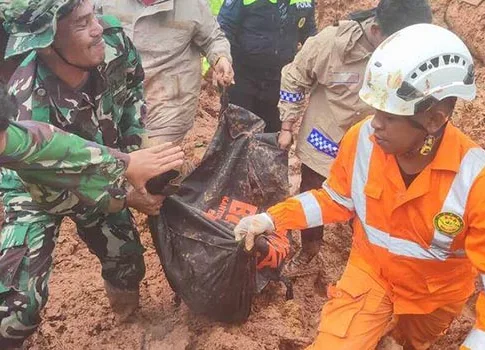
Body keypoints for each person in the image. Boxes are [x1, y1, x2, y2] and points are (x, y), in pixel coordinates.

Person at [234, 23, 484, 349]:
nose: (375, 123)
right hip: (371, 276)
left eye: (390, 115)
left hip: (432, 299)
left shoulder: (474, 180)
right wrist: (271, 219)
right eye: (375, 109)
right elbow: (335, 199)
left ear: (434, 120)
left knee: (406, 344)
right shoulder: (364, 140)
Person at [0, 0, 172, 347]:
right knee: (19, 307)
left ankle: (126, 323)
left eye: (93, 13)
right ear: (46, 43)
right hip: (36, 188)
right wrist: (126, 192)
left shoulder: (113, 42)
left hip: (108, 166)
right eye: (81, 24)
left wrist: (133, 153)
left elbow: (132, 93)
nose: (98, 28)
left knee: (126, 262)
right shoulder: (27, 102)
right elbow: (55, 190)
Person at [277, 0, 433, 276]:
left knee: (374, 197)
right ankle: (310, 249)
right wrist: (287, 124)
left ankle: (369, 255)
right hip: (326, 136)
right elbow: (294, 77)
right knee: (315, 192)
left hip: (378, 138)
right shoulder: (332, 44)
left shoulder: (412, 52)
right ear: (376, 29)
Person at [0, 83, 184, 210]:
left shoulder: (16, 139)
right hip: (33, 195)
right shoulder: (30, 103)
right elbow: (51, 195)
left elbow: (55, 146)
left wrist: (125, 163)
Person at [95, 0, 234, 145]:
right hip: (115, 96)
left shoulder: (193, 4)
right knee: (115, 153)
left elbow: (212, 38)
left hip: (170, 101)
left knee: (150, 157)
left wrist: (220, 58)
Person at [218, 0, 316, 133]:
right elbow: (225, 27)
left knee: (271, 136)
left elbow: (309, 34)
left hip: (278, 79)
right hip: (243, 76)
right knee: (236, 132)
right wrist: (221, 61)